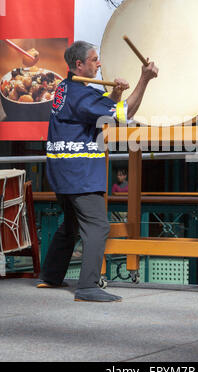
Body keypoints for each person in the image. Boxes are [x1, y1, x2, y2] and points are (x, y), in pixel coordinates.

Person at [37, 40, 158, 302]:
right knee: (98, 226)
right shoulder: (81, 95)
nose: (98, 63)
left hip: (62, 171)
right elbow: (122, 115)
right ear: (78, 64)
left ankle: (50, 276)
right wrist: (144, 79)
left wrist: (114, 94)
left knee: (70, 225)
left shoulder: (66, 89)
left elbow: (101, 111)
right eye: (94, 60)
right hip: (78, 172)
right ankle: (87, 287)